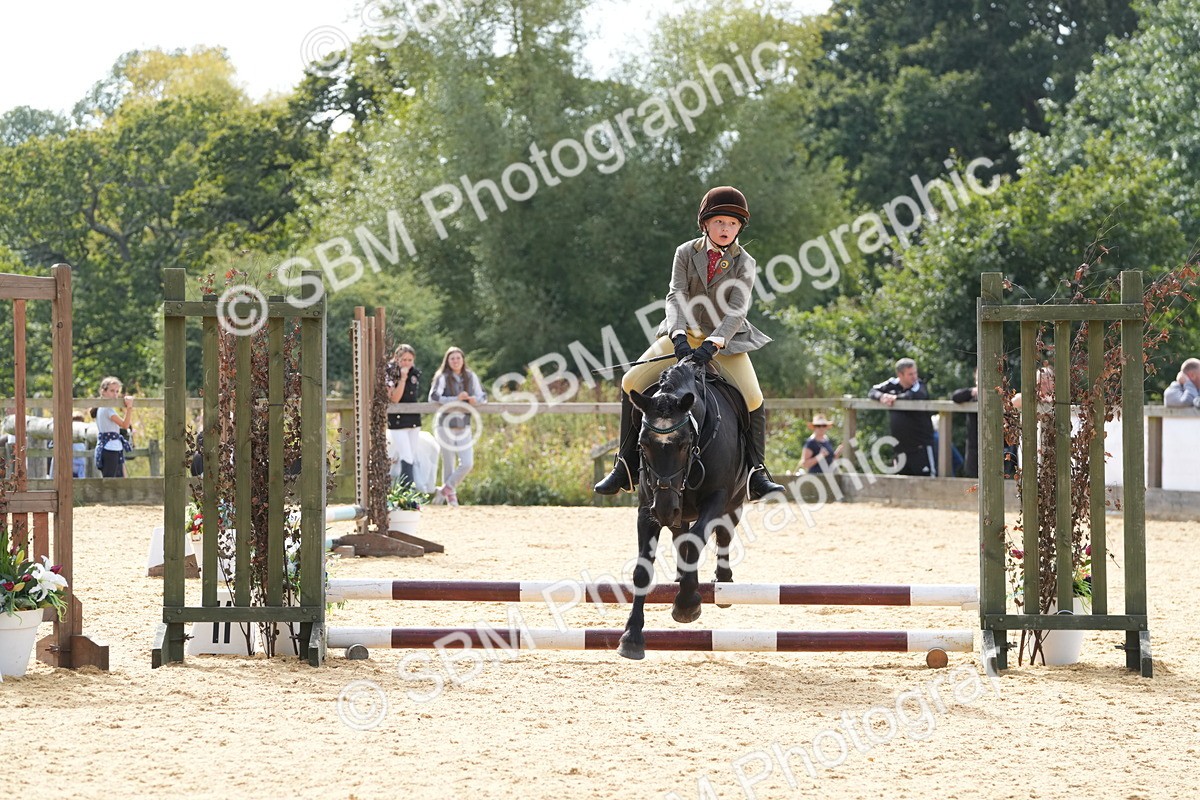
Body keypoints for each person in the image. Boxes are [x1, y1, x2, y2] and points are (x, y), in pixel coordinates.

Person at [593, 185, 785, 500]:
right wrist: (678, 335)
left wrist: (714, 343)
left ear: (739, 228)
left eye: (733, 224)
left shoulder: (744, 262)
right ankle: (624, 464)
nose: (726, 229)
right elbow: (676, 295)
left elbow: (737, 309)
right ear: (706, 224)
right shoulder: (685, 252)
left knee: (753, 398)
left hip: (726, 341)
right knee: (630, 382)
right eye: (720, 222)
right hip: (683, 334)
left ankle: (756, 472)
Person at [428, 346, 485, 506]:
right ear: (447, 361)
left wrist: (475, 400)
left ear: (463, 360)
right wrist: (455, 399)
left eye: (458, 358)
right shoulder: (442, 376)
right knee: (448, 462)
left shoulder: (470, 376)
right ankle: (451, 499)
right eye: (452, 358)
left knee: (467, 463)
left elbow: (483, 396)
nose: (455, 361)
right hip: (445, 424)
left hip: (464, 424)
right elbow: (433, 397)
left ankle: (445, 489)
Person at [868, 358, 936, 477]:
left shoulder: (919, 385)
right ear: (900, 374)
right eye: (910, 374)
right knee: (901, 486)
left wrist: (895, 398)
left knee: (927, 483)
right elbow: (872, 391)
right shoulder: (892, 383)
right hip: (900, 448)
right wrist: (882, 396)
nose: (914, 376)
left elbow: (916, 395)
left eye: (915, 372)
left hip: (920, 447)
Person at [385, 344, 423, 487]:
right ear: (397, 358)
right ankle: (407, 491)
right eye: (403, 359)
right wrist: (402, 378)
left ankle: (403, 490)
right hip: (397, 420)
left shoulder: (415, 373)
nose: (406, 363)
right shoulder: (390, 372)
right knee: (406, 455)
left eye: (409, 360)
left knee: (410, 455)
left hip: (413, 418)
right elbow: (394, 398)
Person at [94, 376, 133, 478]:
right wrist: (129, 408)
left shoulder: (102, 408)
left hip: (110, 447)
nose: (115, 394)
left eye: (117, 391)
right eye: (112, 391)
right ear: (103, 391)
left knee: (113, 480)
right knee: (111, 482)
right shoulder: (107, 409)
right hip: (110, 449)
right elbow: (125, 425)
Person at [951, 369, 979, 479]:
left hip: (998, 445)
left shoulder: (1000, 394)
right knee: (973, 478)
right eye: (978, 379)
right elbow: (955, 397)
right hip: (973, 445)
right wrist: (971, 391)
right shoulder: (971, 396)